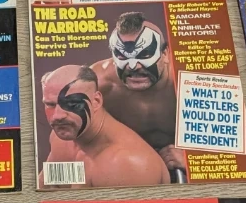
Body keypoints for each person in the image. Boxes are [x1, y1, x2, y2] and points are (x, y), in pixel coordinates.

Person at [40, 63, 170, 187]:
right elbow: (47, 188)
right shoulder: (61, 139)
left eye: (72, 104)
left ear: (96, 101)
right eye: (50, 104)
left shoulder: (126, 164)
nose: (58, 116)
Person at [90, 14, 186, 180]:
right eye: (122, 56)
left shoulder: (189, 78)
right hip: (128, 169)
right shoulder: (98, 84)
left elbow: (231, 140)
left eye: (145, 54)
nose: (133, 66)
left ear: (165, 54)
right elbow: (68, 144)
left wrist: (194, 158)